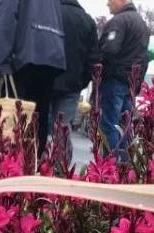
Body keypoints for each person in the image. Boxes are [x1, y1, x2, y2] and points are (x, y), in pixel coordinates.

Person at [0, 0, 67, 151]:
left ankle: (17, 171)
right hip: (51, 52)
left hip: (24, 56)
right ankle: (36, 168)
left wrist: (0, 65)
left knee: (13, 126)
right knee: (38, 124)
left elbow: (4, 19)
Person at [96, 0, 150, 160]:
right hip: (130, 84)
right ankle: (124, 168)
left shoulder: (120, 21)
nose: (108, 4)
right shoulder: (141, 24)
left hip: (114, 80)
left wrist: (98, 65)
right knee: (124, 128)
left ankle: (111, 166)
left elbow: (110, 49)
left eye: (110, 1)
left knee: (108, 126)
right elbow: (144, 57)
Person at [50, 0, 98, 146]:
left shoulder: (50, 13)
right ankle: (60, 166)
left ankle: (39, 164)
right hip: (72, 84)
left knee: (41, 127)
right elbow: (94, 58)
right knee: (62, 128)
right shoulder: (87, 20)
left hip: (47, 79)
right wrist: (82, 81)